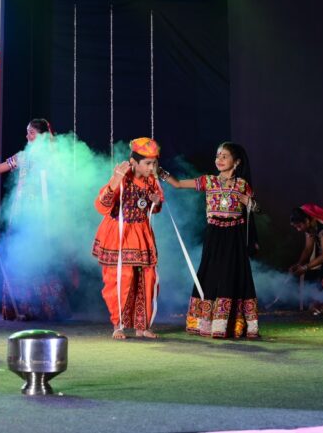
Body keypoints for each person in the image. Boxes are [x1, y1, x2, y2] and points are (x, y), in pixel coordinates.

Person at [0, 118, 69, 321]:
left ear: (43, 136)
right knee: (19, 261)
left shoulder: (53, 160)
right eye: (27, 132)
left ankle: (44, 308)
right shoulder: (22, 157)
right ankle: (23, 307)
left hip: (41, 218)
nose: (27, 136)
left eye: (32, 133)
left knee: (40, 263)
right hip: (20, 217)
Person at [161, 142, 259, 339]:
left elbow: (254, 212)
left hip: (235, 237)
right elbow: (178, 184)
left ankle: (228, 325)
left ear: (236, 162)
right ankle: (207, 323)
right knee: (212, 274)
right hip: (214, 236)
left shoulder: (242, 185)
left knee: (231, 276)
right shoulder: (209, 181)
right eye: (217, 156)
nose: (219, 160)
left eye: (224, 156)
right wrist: (161, 173)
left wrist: (250, 203)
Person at [93, 137, 163, 340]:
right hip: (119, 234)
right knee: (120, 279)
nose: (152, 168)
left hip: (141, 233)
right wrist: (115, 180)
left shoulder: (152, 181)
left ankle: (142, 325)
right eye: (148, 163)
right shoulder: (122, 178)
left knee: (147, 278)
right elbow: (101, 206)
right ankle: (118, 325)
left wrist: (156, 202)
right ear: (134, 162)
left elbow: (154, 208)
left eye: (154, 163)